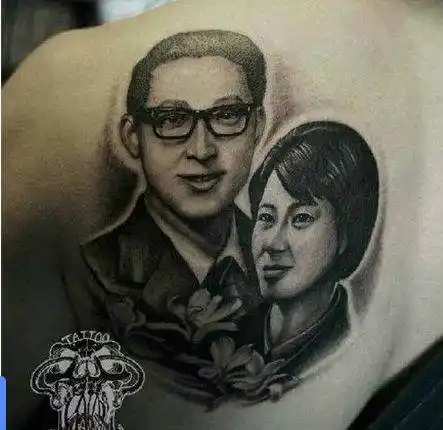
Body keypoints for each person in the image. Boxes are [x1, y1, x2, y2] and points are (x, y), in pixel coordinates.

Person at [73, 29, 267, 356]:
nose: (202, 150)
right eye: (172, 119)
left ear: (258, 126)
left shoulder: (285, 259)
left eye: (227, 116)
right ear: (133, 137)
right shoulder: (92, 270)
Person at [248, 120, 379, 372]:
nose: (273, 244)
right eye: (266, 217)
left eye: (301, 218)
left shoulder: (348, 355)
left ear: (346, 234)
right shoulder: (224, 336)